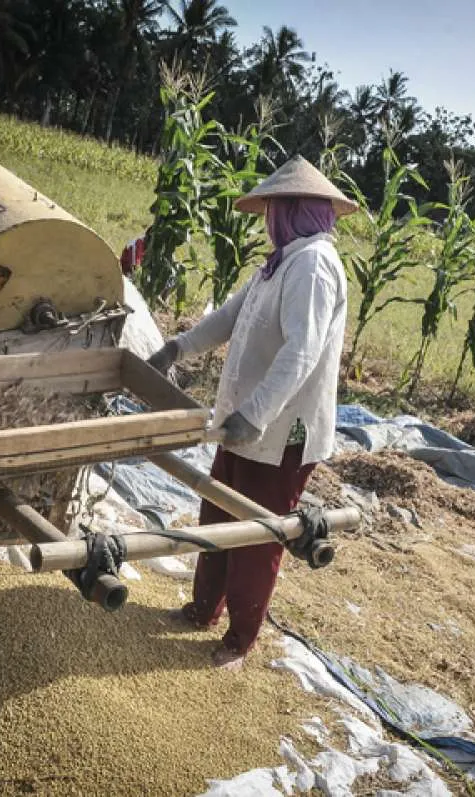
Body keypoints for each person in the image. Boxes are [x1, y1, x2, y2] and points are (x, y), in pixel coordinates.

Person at [147, 155, 357, 670]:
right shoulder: (281, 262)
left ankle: (240, 639)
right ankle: (203, 608)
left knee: (256, 534)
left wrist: (257, 413)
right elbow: (229, 317)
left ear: (294, 210)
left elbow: (301, 351)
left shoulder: (313, 266)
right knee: (217, 514)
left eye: (273, 210)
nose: (267, 220)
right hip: (243, 423)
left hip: (281, 431)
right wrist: (178, 347)